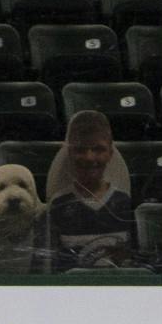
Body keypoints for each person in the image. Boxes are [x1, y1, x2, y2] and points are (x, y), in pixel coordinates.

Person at [43, 110, 133, 269]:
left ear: (110, 153)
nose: (90, 157)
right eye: (80, 150)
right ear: (69, 153)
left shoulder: (124, 202)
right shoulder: (59, 205)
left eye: (98, 149)